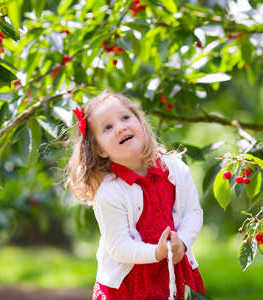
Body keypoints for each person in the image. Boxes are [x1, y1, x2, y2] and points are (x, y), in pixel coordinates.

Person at [66, 91, 205, 299]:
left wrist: (182, 242)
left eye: (125, 118)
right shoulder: (111, 193)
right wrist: (156, 253)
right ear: (100, 150)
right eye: (108, 127)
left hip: (173, 271)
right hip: (130, 284)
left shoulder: (175, 169)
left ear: (140, 122)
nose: (120, 127)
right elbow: (118, 246)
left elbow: (193, 212)